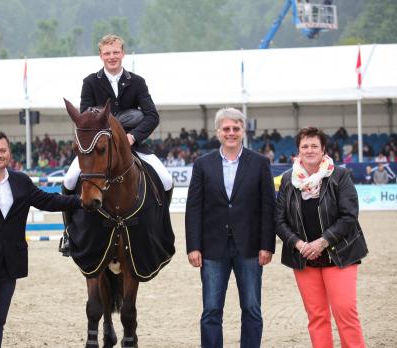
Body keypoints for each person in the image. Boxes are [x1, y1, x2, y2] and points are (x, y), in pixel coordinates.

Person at [0, 131, 81, 348]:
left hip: (8, 265)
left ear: (9, 153)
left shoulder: (21, 181)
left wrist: (81, 201)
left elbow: (48, 201)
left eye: (3, 150)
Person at [61, 33, 173, 254]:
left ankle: (159, 228)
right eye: (107, 53)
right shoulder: (91, 82)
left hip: (132, 144)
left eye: (115, 52)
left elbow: (152, 116)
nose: (111, 57)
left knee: (166, 179)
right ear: (101, 56)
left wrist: (133, 137)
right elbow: (85, 115)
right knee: (69, 179)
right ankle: (69, 234)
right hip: (99, 147)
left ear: (123, 53)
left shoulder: (137, 82)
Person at [185, 107, 276, 348]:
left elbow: (269, 206)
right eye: (227, 128)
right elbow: (194, 208)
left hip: (250, 248)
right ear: (218, 132)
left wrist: (267, 245)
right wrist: (193, 247)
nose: (231, 133)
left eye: (236, 128)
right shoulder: (203, 164)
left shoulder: (259, 163)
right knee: (211, 310)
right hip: (213, 249)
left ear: (243, 131)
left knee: (252, 308)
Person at [275, 126, 368, 348]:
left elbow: (349, 216)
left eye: (314, 145)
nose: (309, 150)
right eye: (304, 146)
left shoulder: (340, 175)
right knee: (316, 316)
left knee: (345, 312)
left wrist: (322, 242)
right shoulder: (288, 180)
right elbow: (279, 221)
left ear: (323, 148)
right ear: (297, 150)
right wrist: (298, 244)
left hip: (340, 254)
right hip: (304, 257)